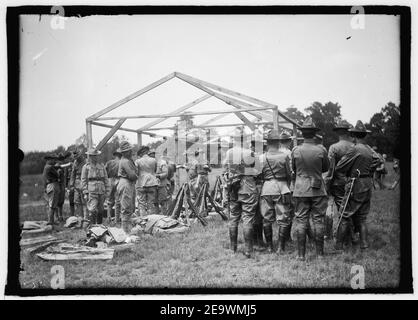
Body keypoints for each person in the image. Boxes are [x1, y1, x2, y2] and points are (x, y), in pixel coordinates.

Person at [291, 117, 330, 260]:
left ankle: (301, 255)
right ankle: (320, 255)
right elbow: (326, 168)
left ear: (302, 134)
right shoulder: (321, 150)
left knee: (301, 221)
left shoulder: (295, 150)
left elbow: (294, 169)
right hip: (318, 189)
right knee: (319, 220)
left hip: (300, 189)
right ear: (314, 134)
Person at [334, 121, 376, 250]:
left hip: (356, 184)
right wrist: (368, 169)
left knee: (345, 215)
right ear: (364, 135)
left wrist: (351, 168)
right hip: (367, 183)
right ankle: (364, 245)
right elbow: (378, 159)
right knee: (362, 217)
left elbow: (340, 166)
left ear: (353, 135)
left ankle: (339, 247)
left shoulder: (355, 148)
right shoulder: (369, 149)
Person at [224, 127, 259, 258]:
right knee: (248, 218)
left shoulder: (229, 153)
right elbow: (257, 171)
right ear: (245, 140)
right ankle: (248, 250)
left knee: (233, 218)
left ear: (234, 139)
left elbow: (226, 168)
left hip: (233, 187)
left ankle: (233, 248)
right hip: (248, 188)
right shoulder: (250, 153)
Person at [258, 130, 293, 254]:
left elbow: (259, 174)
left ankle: (269, 247)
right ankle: (281, 247)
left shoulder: (262, 157)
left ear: (267, 143)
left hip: (267, 188)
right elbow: (289, 174)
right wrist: (287, 185)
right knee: (283, 218)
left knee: (267, 219)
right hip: (282, 187)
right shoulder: (284, 156)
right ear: (278, 142)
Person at [324, 120, 354, 240]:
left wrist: (327, 183)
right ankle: (349, 234)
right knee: (348, 208)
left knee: (330, 207)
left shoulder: (334, 147)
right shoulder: (354, 147)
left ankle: (330, 234)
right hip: (351, 182)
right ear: (348, 132)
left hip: (336, 183)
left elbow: (330, 169)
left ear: (338, 132)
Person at [81, 148, 109, 225]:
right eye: (93, 156)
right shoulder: (86, 167)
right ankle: (92, 226)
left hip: (101, 190)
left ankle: (99, 226)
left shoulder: (102, 166)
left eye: (96, 156)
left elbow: (106, 179)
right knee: (92, 209)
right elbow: (83, 180)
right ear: (90, 156)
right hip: (92, 190)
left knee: (101, 209)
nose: (95, 157)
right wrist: (85, 192)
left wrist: (107, 190)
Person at [116, 141, 138, 233]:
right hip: (126, 183)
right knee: (126, 207)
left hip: (129, 183)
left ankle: (127, 229)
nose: (130, 152)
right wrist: (137, 175)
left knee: (130, 207)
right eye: (128, 151)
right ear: (124, 152)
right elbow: (132, 175)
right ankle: (125, 231)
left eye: (130, 150)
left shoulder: (128, 160)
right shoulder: (125, 161)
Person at [135, 146, 159, 216]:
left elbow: (136, 172)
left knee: (141, 204)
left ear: (141, 153)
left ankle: (143, 221)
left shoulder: (138, 161)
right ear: (147, 152)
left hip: (141, 183)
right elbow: (155, 171)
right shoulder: (153, 160)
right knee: (151, 203)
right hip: (152, 182)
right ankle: (150, 221)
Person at [69, 150, 87, 219]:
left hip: (84, 182)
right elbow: (73, 174)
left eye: (77, 156)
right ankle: (80, 217)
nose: (76, 158)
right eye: (75, 157)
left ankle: (86, 218)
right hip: (77, 183)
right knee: (77, 201)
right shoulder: (75, 162)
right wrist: (71, 185)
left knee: (84, 201)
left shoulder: (86, 161)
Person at [105, 149, 122, 224]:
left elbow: (105, 172)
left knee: (109, 201)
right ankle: (117, 219)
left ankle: (109, 217)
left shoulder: (109, 162)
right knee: (118, 201)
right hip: (119, 180)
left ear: (115, 155)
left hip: (110, 180)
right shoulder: (122, 162)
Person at [42, 154, 60, 225]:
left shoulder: (46, 167)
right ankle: (51, 222)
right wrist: (58, 171)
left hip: (48, 186)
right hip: (53, 185)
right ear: (49, 159)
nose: (54, 160)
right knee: (52, 205)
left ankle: (51, 220)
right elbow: (57, 174)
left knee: (50, 204)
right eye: (52, 159)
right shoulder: (50, 167)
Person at [151, 150, 170, 215]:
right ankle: (156, 217)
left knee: (162, 201)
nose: (152, 156)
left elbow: (165, 173)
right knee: (155, 202)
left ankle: (165, 216)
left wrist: (158, 176)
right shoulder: (151, 163)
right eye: (151, 155)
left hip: (161, 185)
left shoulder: (162, 163)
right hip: (153, 185)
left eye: (153, 154)